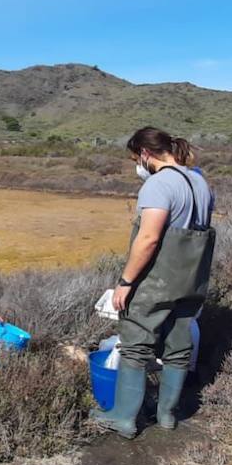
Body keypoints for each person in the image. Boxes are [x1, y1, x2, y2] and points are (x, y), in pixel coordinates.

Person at [90, 128, 215, 439]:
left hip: (157, 281)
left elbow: (148, 239)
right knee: (178, 347)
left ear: (145, 154)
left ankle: (123, 418)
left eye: (136, 158)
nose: (137, 165)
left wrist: (126, 281)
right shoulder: (199, 181)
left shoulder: (159, 185)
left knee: (135, 345)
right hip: (192, 280)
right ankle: (167, 415)